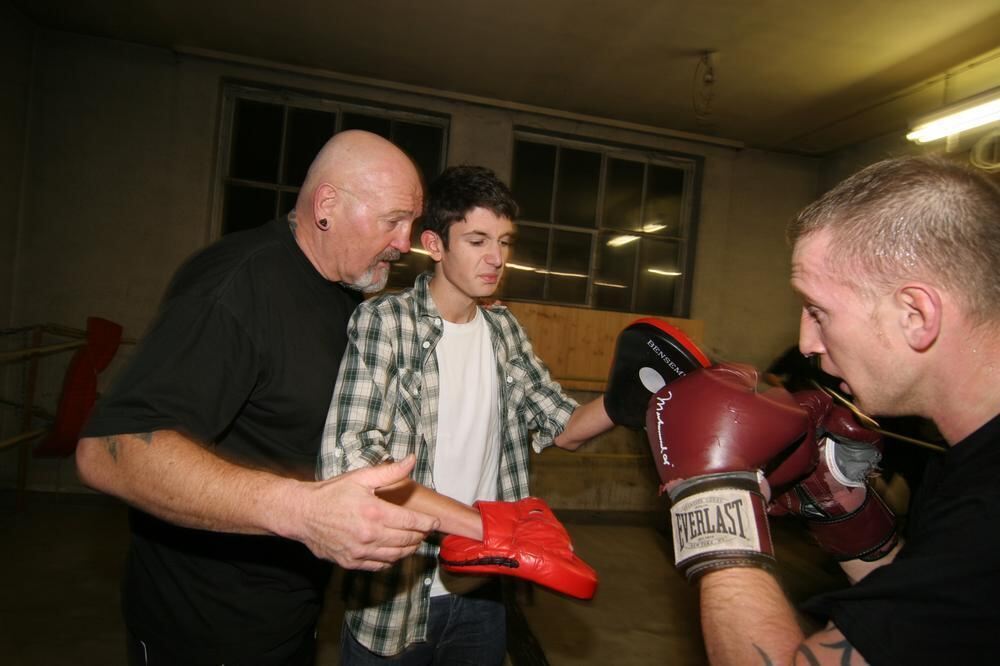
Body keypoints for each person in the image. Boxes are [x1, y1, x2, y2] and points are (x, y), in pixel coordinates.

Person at [74, 130, 442, 665]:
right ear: (327, 207)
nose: (404, 243)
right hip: (204, 632)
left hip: (288, 615)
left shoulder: (343, 293)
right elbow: (111, 448)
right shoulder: (234, 285)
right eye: (392, 220)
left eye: (411, 223)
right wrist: (301, 511)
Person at [652, 155, 1000, 665]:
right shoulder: (969, 471)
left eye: (818, 311)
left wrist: (712, 496)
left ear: (915, 314)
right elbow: (940, 626)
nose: (806, 341)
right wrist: (849, 517)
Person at [318, 165, 615, 664]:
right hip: (396, 596)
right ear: (434, 244)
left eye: (504, 241)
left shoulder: (504, 331)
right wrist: (493, 530)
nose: (496, 258)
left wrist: (631, 397)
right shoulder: (384, 323)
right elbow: (354, 464)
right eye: (477, 240)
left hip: (481, 591)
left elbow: (562, 425)